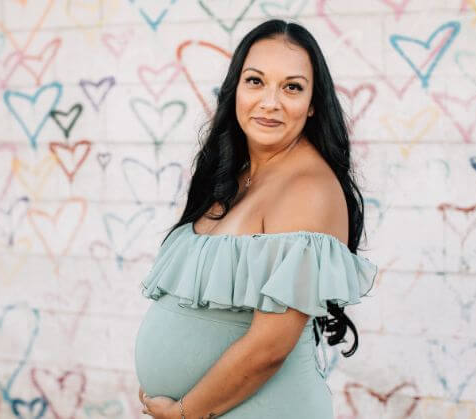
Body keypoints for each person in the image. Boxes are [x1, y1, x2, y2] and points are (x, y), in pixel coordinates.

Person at [134, 18, 378, 418]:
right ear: (235, 89)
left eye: (292, 87)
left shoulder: (307, 189)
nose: (270, 102)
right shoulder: (235, 176)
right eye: (256, 81)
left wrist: (185, 412)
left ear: (314, 103)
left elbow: (269, 347)